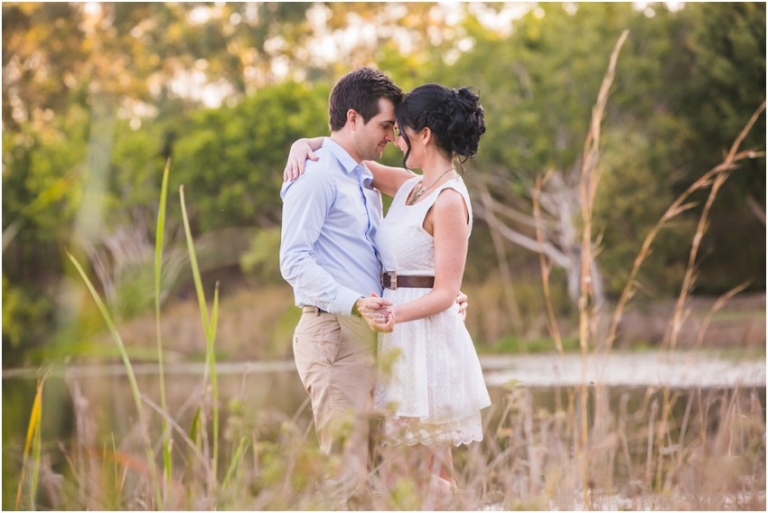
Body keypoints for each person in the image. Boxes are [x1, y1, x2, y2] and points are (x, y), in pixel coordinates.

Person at [286, 83, 491, 504]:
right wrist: (302, 143)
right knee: (380, 468)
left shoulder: (448, 198)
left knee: (420, 469)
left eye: (400, 130)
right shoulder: (405, 184)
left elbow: (446, 286)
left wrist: (421, 307)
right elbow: (342, 154)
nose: (393, 139)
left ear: (425, 135)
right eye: (388, 127)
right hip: (378, 331)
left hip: (411, 333)